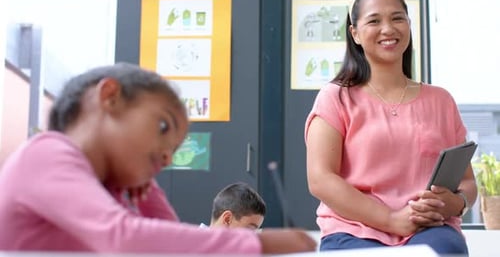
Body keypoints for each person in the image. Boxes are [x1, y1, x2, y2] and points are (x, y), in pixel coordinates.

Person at [0, 63, 316, 254]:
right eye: (163, 126)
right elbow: (123, 239)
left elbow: (168, 245)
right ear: (110, 97)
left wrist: (147, 189)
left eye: (174, 149)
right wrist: (260, 244)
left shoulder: (105, 187)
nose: (167, 155)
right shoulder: (47, 153)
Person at [304, 0, 477, 255]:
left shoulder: (441, 100)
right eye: (374, 20)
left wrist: (456, 203)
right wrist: (390, 220)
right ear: (355, 33)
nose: (388, 29)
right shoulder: (335, 97)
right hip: (353, 230)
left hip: (430, 231)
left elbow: (467, 182)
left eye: (397, 18)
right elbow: (320, 179)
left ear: (408, 24)